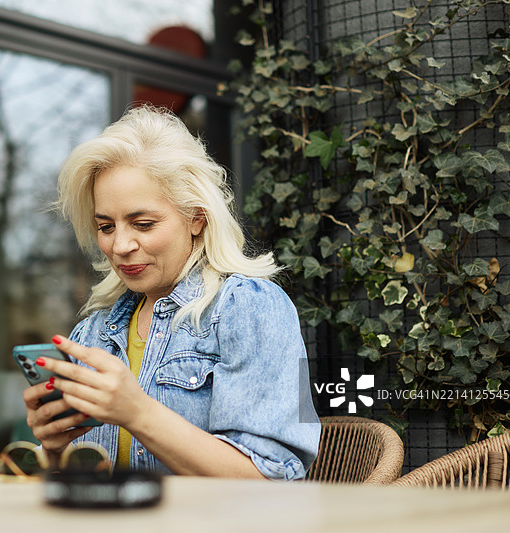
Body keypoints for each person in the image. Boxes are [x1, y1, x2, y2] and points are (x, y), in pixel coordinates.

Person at [23, 105, 320, 480]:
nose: (120, 245)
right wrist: (53, 449)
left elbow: (271, 479)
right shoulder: (94, 332)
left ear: (196, 217)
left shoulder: (248, 308)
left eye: (143, 224)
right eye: (105, 226)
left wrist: (138, 413)